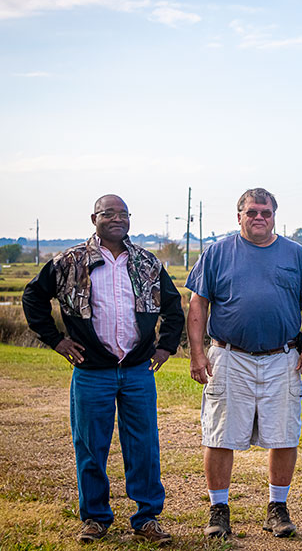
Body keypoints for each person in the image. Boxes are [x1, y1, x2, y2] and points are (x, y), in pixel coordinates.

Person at [22, 194, 184, 544]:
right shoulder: (69, 261)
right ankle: (95, 518)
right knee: (91, 445)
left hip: (138, 370)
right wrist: (57, 340)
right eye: (108, 213)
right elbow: (33, 297)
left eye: (123, 213)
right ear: (93, 217)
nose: (117, 218)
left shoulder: (146, 262)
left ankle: (146, 518)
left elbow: (173, 305)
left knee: (144, 445)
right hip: (91, 371)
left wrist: (167, 345)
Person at [186, 188, 302, 539]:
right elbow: (198, 304)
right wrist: (197, 353)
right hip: (229, 356)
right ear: (239, 216)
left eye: (265, 212)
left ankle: (277, 508)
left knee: (284, 435)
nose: (258, 217)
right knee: (219, 435)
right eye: (251, 212)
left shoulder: (295, 254)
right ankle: (219, 510)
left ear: (274, 215)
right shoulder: (217, 253)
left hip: (282, 358)